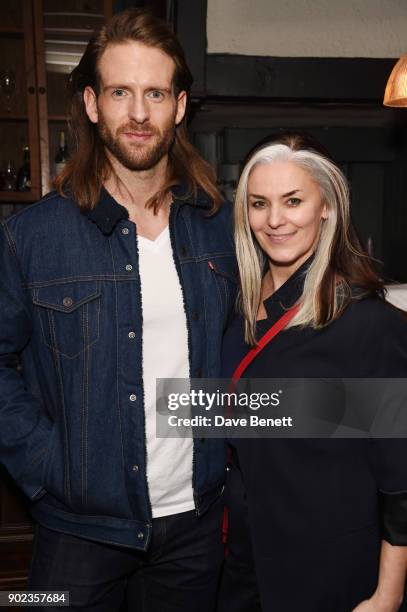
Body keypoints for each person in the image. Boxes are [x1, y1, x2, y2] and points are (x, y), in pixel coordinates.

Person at [0, 9, 237, 611]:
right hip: (76, 529)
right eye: (120, 92)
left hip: (195, 523)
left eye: (155, 93)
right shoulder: (30, 238)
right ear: (90, 103)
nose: (138, 113)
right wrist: (50, 467)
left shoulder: (219, 229)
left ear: (179, 107)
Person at [218, 133, 407, 612]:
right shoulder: (232, 309)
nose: (275, 220)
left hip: (330, 570)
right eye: (259, 203)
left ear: (327, 206)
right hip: (240, 560)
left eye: (293, 200)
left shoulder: (368, 324)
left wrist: (387, 595)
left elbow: (401, 478)